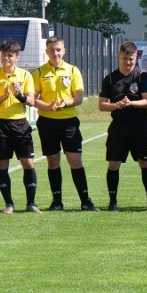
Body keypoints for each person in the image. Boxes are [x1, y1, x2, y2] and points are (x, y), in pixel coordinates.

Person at [32, 35, 98, 211]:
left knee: (75, 161)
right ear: (46, 52)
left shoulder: (73, 70)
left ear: (64, 50)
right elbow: (33, 99)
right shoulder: (38, 72)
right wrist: (47, 106)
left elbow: (78, 97)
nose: (55, 53)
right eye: (52, 50)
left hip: (69, 123)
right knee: (53, 162)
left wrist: (64, 103)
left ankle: (86, 201)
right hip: (47, 123)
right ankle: (57, 202)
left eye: (58, 49)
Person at [0, 40, 40, 214]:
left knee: (28, 163)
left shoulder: (25, 76)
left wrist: (19, 95)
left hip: (20, 124)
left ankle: (31, 203)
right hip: (0, 124)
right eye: (3, 54)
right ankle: (9, 204)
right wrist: (3, 97)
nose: (5, 58)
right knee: (2, 164)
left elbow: (31, 101)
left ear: (17, 57)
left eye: (9, 55)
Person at [98, 41, 147, 211]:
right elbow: (102, 105)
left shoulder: (143, 76)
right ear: (119, 56)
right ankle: (113, 202)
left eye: (131, 59)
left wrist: (130, 103)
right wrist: (117, 105)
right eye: (125, 59)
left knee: (144, 163)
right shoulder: (110, 78)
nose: (128, 62)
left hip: (140, 127)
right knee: (113, 164)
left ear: (136, 56)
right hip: (118, 127)